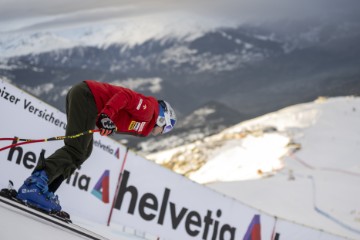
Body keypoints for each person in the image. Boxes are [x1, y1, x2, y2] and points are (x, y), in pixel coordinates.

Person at [16, 80, 176, 212]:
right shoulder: (149, 110)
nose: (164, 131)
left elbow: (123, 116)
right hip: (87, 97)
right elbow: (125, 96)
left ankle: (46, 191)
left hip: (88, 99)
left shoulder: (145, 123)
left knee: (84, 151)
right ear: (162, 118)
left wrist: (108, 122)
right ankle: (33, 186)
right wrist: (106, 116)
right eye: (167, 127)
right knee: (76, 149)